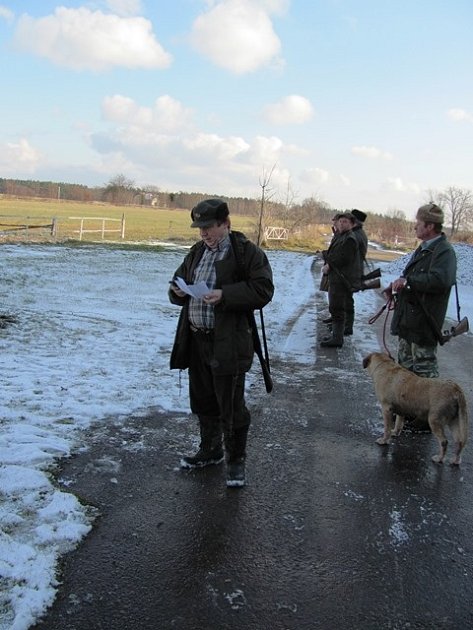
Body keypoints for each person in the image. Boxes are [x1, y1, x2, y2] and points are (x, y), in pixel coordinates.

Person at [168, 199, 274, 488]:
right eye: (199, 227)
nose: (203, 233)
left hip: (228, 342)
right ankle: (210, 450)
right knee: (203, 400)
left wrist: (225, 295)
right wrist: (177, 291)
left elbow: (263, 290)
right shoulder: (197, 252)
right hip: (196, 339)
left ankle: (236, 462)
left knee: (231, 406)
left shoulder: (246, 253)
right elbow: (176, 283)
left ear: (226, 223)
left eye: (208, 227)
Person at [388, 202, 457, 378]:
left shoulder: (444, 251)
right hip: (409, 323)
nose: (414, 227)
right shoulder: (424, 249)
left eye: (418, 223)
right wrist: (397, 287)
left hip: (423, 326)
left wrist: (408, 282)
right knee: (404, 378)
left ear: (430, 226)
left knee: (425, 382)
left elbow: (440, 280)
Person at [320, 212, 362, 348]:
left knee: (337, 308)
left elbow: (344, 258)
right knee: (335, 307)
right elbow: (336, 254)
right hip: (336, 277)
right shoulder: (342, 236)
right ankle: (336, 336)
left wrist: (329, 264)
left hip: (341, 278)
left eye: (346, 222)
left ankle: (337, 338)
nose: (342, 224)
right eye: (341, 221)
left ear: (352, 224)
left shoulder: (349, 239)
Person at [344, 209, 368, 335]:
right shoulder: (358, 233)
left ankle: (347, 326)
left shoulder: (356, 235)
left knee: (347, 300)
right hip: (353, 270)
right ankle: (346, 325)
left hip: (352, 271)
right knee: (346, 299)